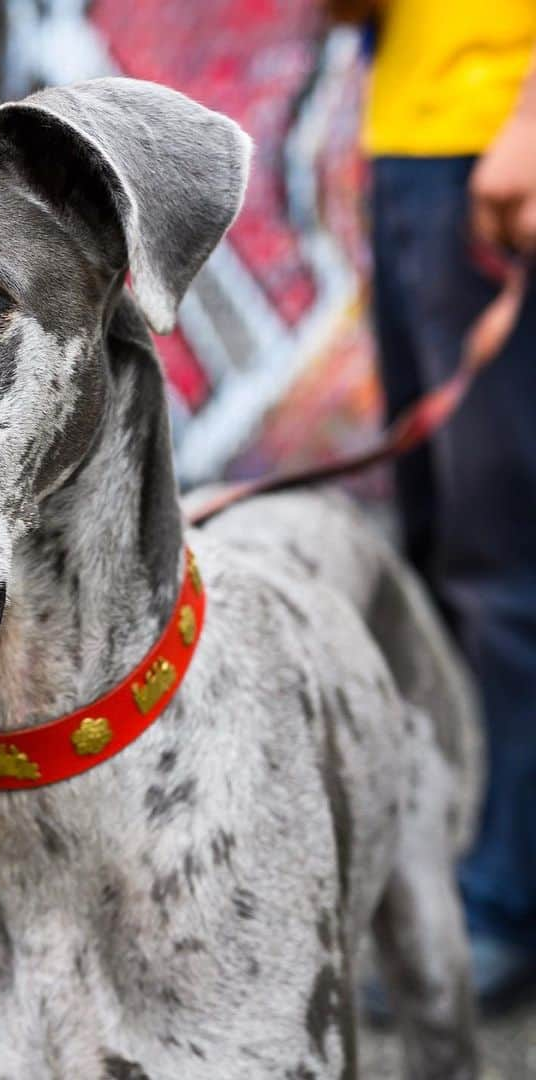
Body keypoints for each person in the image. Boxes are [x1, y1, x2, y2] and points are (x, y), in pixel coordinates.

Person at [330, 0, 536, 1009]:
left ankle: (505, 902)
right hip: (409, 146)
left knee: (508, 563)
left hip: (497, 147)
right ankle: (494, 861)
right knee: (439, 539)